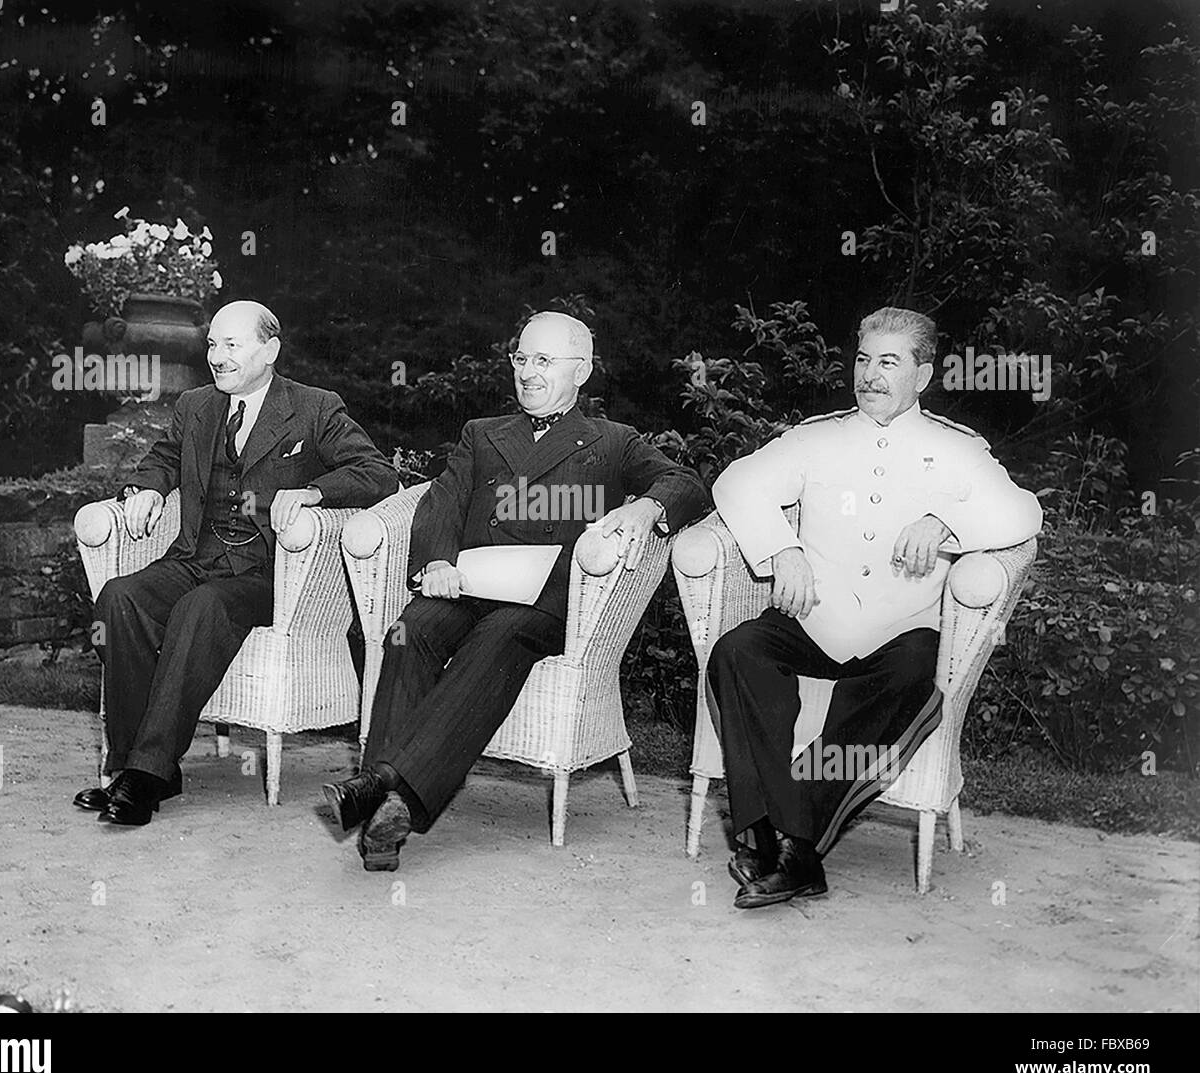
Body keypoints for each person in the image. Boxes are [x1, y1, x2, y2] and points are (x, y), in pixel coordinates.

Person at [323, 311, 708, 870]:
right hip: (470, 584)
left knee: (501, 636)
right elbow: (442, 501)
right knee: (410, 631)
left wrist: (648, 506)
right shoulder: (481, 434)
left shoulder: (613, 441)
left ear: (582, 371)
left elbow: (688, 483)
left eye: (544, 361)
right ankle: (390, 804)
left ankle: (383, 790)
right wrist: (436, 562)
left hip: (544, 605)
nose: (528, 372)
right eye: (521, 359)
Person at [707, 306, 1042, 908]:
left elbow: (1025, 513)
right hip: (813, 617)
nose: (870, 375)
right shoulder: (816, 437)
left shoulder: (957, 449)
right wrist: (782, 550)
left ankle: (783, 844)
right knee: (738, 651)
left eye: (889, 362)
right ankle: (782, 846)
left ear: (924, 375)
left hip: (898, 630)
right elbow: (735, 484)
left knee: (916, 673)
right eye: (863, 359)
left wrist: (948, 522)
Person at [74, 300, 398, 826]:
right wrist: (147, 489)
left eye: (231, 345)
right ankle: (135, 765)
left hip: (269, 575)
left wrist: (316, 492)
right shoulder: (196, 405)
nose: (217, 357)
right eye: (211, 345)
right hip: (195, 557)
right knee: (119, 597)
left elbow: (377, 474)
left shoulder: (314, 407)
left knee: (203, 605)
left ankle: (147, 774)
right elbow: (161, 457)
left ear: (269, 350)